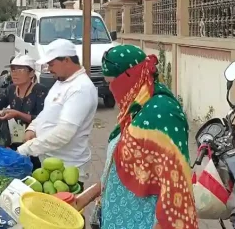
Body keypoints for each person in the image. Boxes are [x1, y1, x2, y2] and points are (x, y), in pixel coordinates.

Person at [95, 44, 198, 229]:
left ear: (130, 76)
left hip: (144, 220)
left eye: (112, 82)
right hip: (117, 218)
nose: (110, 89)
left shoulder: (163, 112)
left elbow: (175, 182)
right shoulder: (135, 108)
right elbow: (112, 170)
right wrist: (82, 199)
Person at [16, 39, 97, 184]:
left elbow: (63, 134)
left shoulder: (81, 88)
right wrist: (33, 128)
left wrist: (27, 148)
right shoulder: (61, 81)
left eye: (51, 64)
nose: (48, 68)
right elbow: (48, 112)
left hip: (67, 169)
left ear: (66, 60)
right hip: (50, 164)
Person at [0, 54, 48, 168]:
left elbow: (42, 119)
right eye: (13, 70)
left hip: (33, 142)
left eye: (20, 70)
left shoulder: (41, 91)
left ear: (31, 73)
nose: (14, 73)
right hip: (14, 141)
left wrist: (17, 114)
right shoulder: (11, 89)